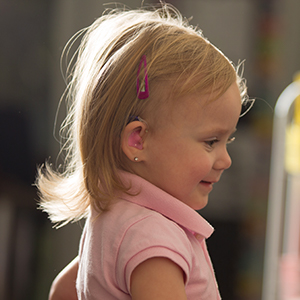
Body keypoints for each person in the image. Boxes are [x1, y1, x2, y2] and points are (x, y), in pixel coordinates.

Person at [37, 3, 250, 300]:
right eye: (211, 142)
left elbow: (62, 291)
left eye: (228, 141)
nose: (225, 160)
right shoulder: (153, 239)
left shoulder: (113, 220)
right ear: (138, 140)